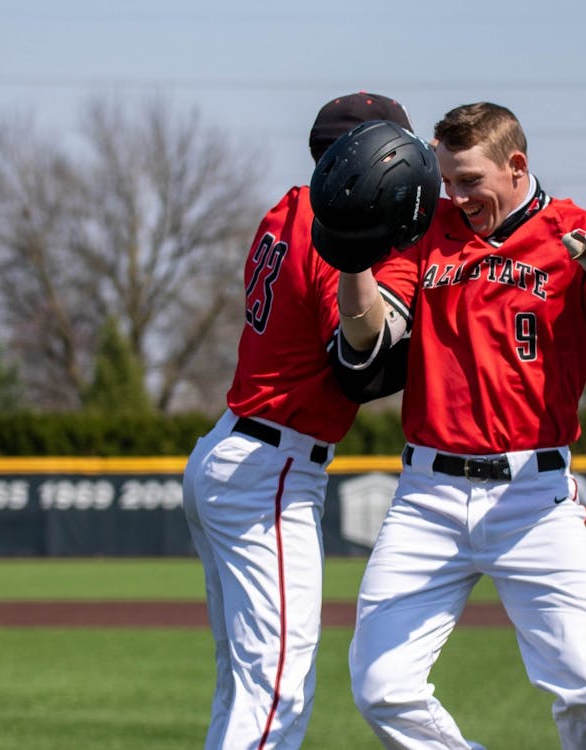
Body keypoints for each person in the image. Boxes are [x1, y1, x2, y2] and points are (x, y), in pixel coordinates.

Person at [332, 102, 586, 749]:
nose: (456, 196)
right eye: (447, 180)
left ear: (516, 164)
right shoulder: (430, 228)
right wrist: (352, 256)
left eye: (470, 180)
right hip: (428, 498)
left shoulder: (570, 230)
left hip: (534, 499)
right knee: (382, 687)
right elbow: (369, 333)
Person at [181, 92, 415, 750]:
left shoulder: (288, 206)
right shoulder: (334, 235)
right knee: (277, 687)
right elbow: (357, 363)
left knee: (244, 682)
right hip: (271, 467)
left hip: (229, 451)